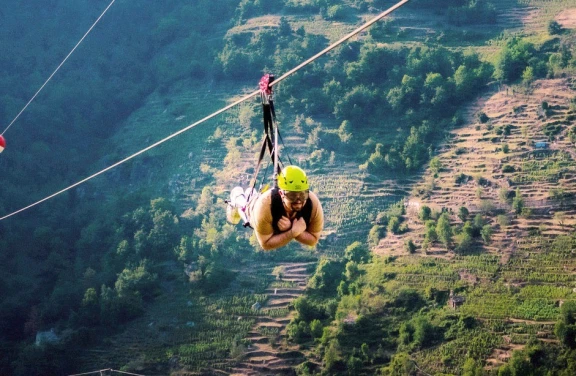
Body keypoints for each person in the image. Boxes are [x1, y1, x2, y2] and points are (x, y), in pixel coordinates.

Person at [227, 166, 323, 251]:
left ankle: (250, 194)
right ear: (281, 194)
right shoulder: (264, 206)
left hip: (267, 205)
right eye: (292, 195)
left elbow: (313, 240)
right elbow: (265, 244)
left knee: (253, 196)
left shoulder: (313, 204)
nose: (298, 200)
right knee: (246, 208)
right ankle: (237, 196)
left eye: (302, 195)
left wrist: (291, 228)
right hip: (254, 208)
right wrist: (292, 232)